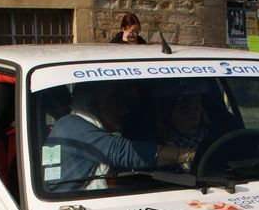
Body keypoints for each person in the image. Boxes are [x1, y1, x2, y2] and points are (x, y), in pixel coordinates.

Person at [42, 81, 192, 191]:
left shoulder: (93, 128)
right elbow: (121, 152)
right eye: (117, 101)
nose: (125, 109)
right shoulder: (70, 125)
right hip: (68, 207)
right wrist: (184, 155)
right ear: (95, 105)